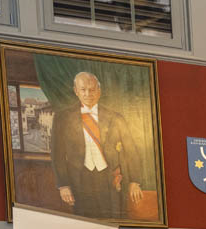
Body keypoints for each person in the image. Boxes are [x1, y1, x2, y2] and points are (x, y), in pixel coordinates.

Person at [50, 71, 144, 221]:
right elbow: (57, 154)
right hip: (78, 182)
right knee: (83, 225)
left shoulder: (116, 118)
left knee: (112, 223)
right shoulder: (62, 118)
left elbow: (131, 149)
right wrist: (63, 185)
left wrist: (135, 181)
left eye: (92, 89)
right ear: (76, 91)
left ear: (99, 91)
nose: (88, 94)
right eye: (83, 90)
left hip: (110, 180)